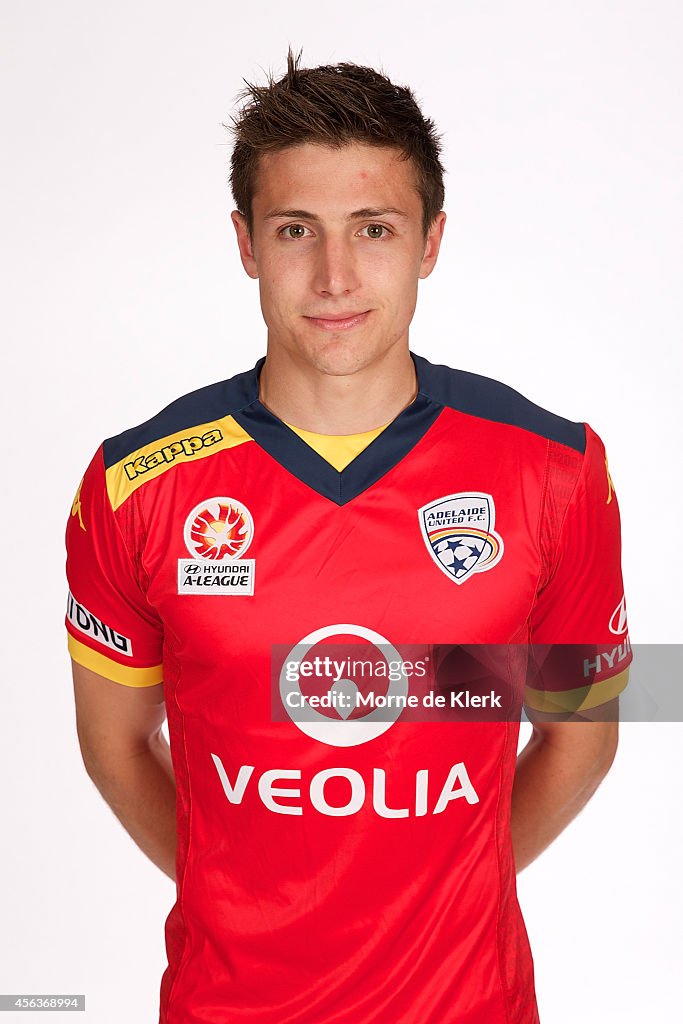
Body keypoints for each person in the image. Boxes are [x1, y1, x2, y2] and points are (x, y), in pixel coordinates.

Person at [65, 46, 632, 1024]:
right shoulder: (135, 484)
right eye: (296, 230)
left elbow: (579, 729)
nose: (333, 274)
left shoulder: (554, 469)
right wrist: (243, 898)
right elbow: (114, 742)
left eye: (372, 228)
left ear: (429, 240)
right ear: (245, 242)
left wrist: (440, 889)